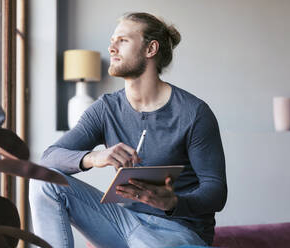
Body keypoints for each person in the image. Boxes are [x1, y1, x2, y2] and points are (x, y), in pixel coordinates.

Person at [29, 12, 227, 248]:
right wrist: (94, 157)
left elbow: (216, 191)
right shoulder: (106, 109)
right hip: (124, 222)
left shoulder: (194, 113)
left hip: (177, 230)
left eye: (122, 40)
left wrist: (173, 202)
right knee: (43, 184)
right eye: (112, 40)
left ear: (150, 49)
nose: (112, 48)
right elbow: (48, 159)